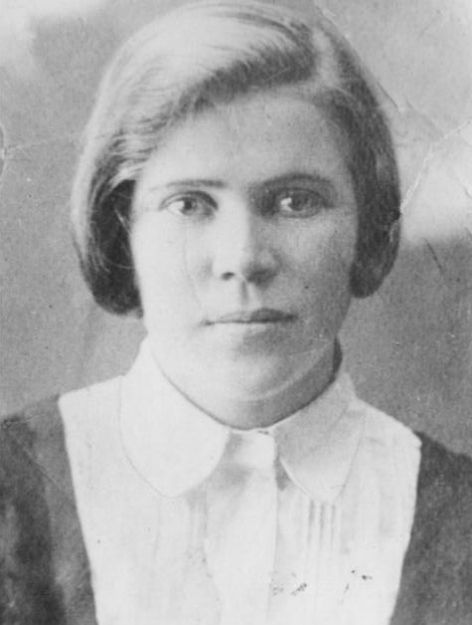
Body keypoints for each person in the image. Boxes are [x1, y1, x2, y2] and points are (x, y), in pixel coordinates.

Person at [1, 2, 471, 624]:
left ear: (368, 226)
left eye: (295, 201)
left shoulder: (457, 518)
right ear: (122, 230)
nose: (244, 258)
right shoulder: (14, 495)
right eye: (190, 204)